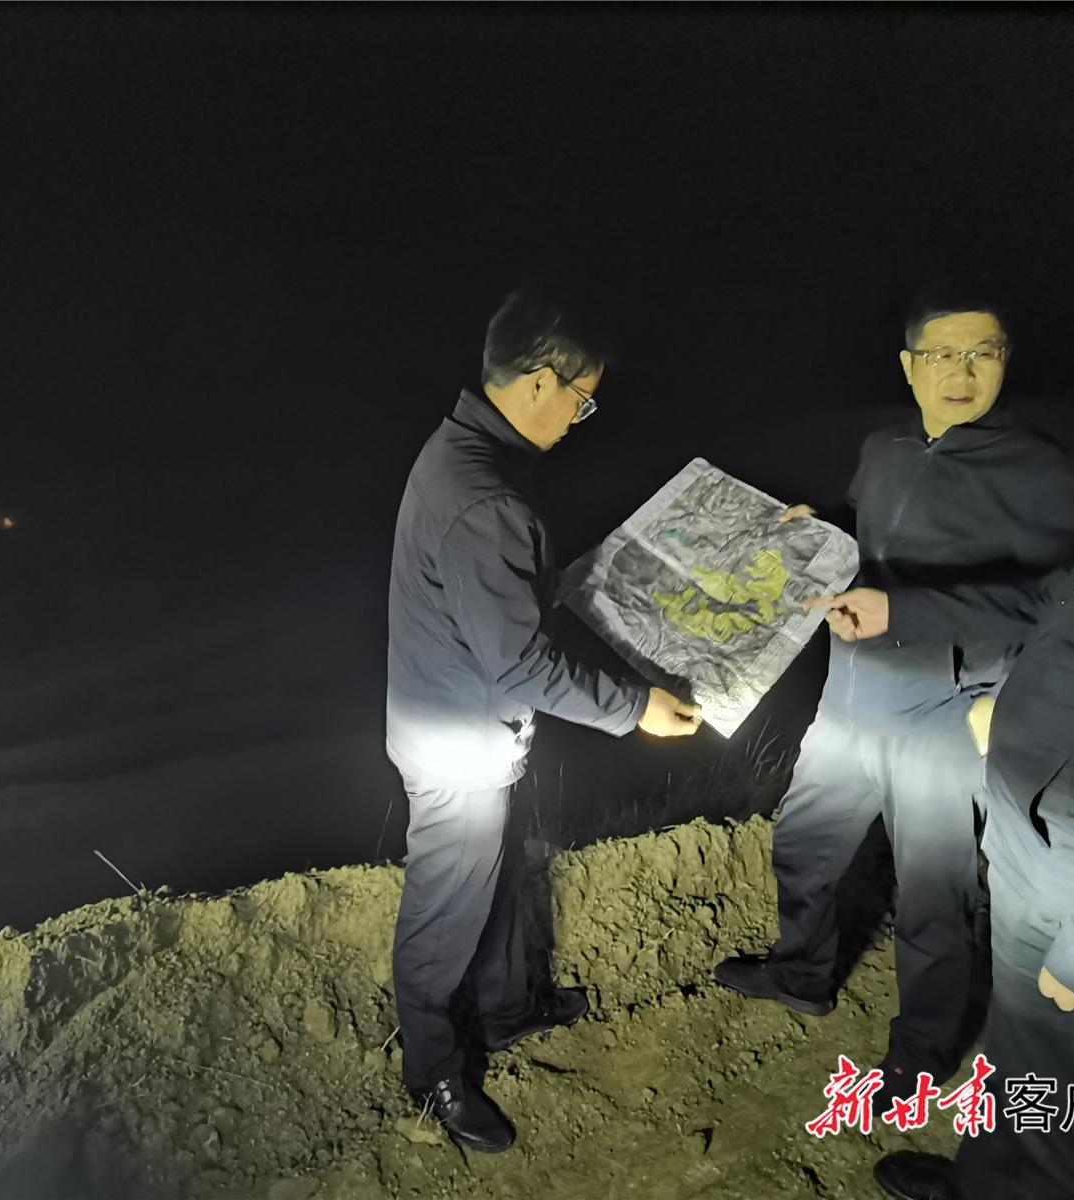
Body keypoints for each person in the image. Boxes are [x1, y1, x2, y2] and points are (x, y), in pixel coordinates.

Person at [810, 321, 1074, 1200]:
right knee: (1026, 1066)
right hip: (1044, 855)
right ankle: (984, 1180)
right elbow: (1045, 606)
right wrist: (902, 613)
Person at [714, 294, 1074, 1115]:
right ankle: (802, 972)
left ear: (1005, 360)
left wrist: (909, 611)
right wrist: (821, 528)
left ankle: (920, 1053)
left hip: (946, 709)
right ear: (908, 365)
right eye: (942, 354)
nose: (962, 371)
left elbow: (1060, 604)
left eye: (983, 352)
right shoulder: (885, 447)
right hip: (851, 693)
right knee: (802, 845)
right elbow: (878, 533)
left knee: (934, 896)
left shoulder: (1042, 473)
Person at [384, 286, 702, 1152]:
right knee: (444, 911)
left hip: (461, 717)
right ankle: (432, 1074)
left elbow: (489, 602)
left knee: (493, 879)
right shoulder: (485, 498)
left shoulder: (461, 454)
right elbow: (520, 663)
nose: (581, 418)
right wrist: (636, 707)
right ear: (537, 382)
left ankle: (506, 1007)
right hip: (458, 743)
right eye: (581, 398)